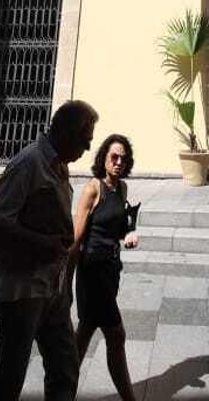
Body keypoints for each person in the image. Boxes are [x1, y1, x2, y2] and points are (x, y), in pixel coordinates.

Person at [0, 100, 99, 401]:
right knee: (9, 377)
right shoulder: (29, 163)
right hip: (21, 290)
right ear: (67, 133)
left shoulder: (57, 165)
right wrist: (43, 243)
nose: (87, 149)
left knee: (65, 367)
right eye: (85, 140)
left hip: (51, 288)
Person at [74, 134, 141, 401]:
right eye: (114, 156)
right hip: (92, 272)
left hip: (110, 270)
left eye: (123, 158)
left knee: (84, 334)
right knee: (116, 334)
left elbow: (119, 225)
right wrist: (65, 283)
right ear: (103, 158)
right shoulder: (93, 188)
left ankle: (59, 390)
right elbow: (75, 237)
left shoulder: (122, 189)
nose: (118, 162)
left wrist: (128, 235)